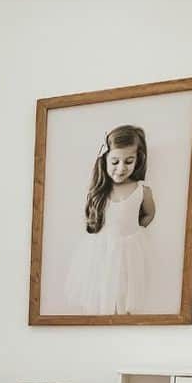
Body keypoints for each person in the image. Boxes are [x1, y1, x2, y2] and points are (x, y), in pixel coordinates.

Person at [67, 125, 156, 315]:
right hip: (103, 249)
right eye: (115, 161)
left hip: (130, 250)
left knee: (127, 290)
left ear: (137, 160)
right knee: (103, 288)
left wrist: (137, 230)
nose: (121, 168)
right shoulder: (101, 192)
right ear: (105, 160)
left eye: (128, 161)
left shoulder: (142, 190)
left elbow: (149, 213)